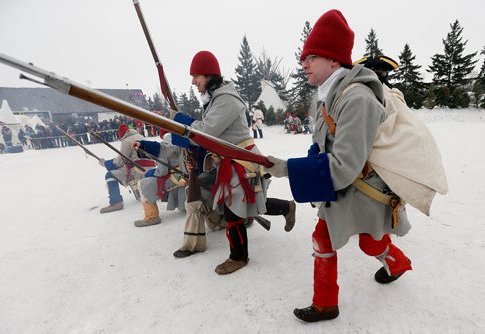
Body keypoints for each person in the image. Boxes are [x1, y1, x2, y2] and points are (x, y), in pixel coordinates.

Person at [265, 9, 412, 322]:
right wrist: (302, 161)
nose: (303, 63)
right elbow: (322, 145)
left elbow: (344, 165)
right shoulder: (328, 97)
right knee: (323, 237)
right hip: (342, 188)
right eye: (304, 57)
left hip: (363, 189)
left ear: (334, 60)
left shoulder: (356, 98)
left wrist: (287, 168)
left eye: (312, 56)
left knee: (371, 243)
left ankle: (397, 263)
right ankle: (326, 304)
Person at [171, 51, 294, 274]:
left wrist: (180, 121)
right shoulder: (215, 98)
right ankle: (286, 207)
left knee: (234, 211)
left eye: (196, 76)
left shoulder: (225, 99)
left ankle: (238, 257)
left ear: (208, 75)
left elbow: (207, 131)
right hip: (231, 159)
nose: (193, 81)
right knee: (247, 205)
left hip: (241, 159)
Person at [132, 133, 187, 226]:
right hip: (186, 174)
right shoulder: (181, 139)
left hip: (176, 178)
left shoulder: (165, 144)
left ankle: (151, 216)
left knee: (143, 184)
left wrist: (152, 173)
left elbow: (162, 171)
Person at [98, 124, 146, 213]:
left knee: (110, 175)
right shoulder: (140, 136)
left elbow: (120, 162)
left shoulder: (127, 140)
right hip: (149, 167)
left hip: (137, 170)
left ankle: (116, 202)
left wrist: (105, 163)